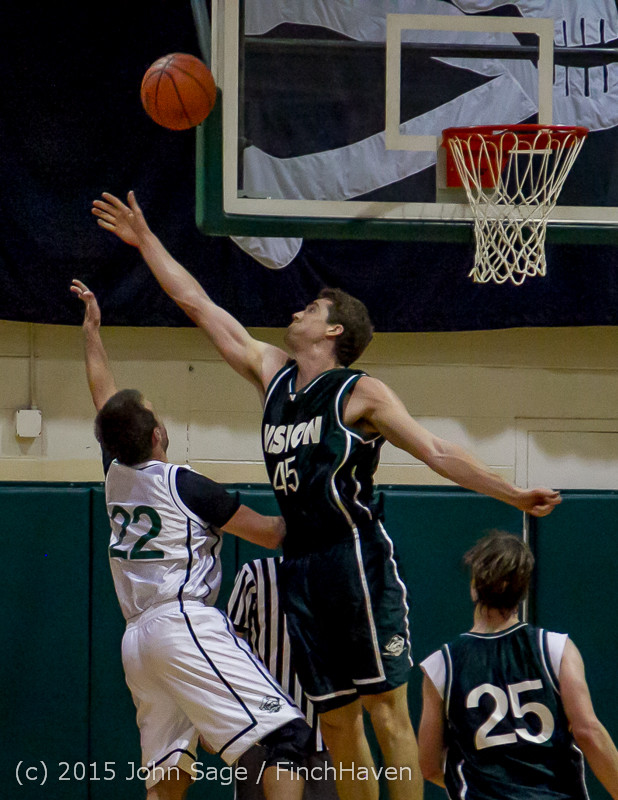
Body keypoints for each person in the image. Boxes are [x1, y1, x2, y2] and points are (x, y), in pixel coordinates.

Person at [91, 190, 562, 800]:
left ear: (333, 328)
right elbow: (198, 305)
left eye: (312, 306)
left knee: (386, 712)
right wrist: (146, 239)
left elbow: (438, 451)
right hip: (302, 568)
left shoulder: (360, 392)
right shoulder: (273, 375)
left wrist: (512, 492)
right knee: (337, 723)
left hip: (354, 557)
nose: (299, 309)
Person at [71, 278, 312, 800]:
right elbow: (271, 535)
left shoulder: (116, 474)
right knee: (288, 738)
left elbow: (104, 401)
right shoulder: (183, 483)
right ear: (158, 435)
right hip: (183, 622)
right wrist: (321, 496)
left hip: (137, 641)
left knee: (167, 774)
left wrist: (93, 332)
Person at [418, 530, 618, 799]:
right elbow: (588, 731)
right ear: (523, 590)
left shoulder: (441, 665)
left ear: (475, 586)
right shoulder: (556, 648)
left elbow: (428, 766)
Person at [227, 557, 339, 800]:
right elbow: (229, 653)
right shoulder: (255, 574)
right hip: (265, 738)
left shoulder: (345, 573)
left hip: (329, 738)